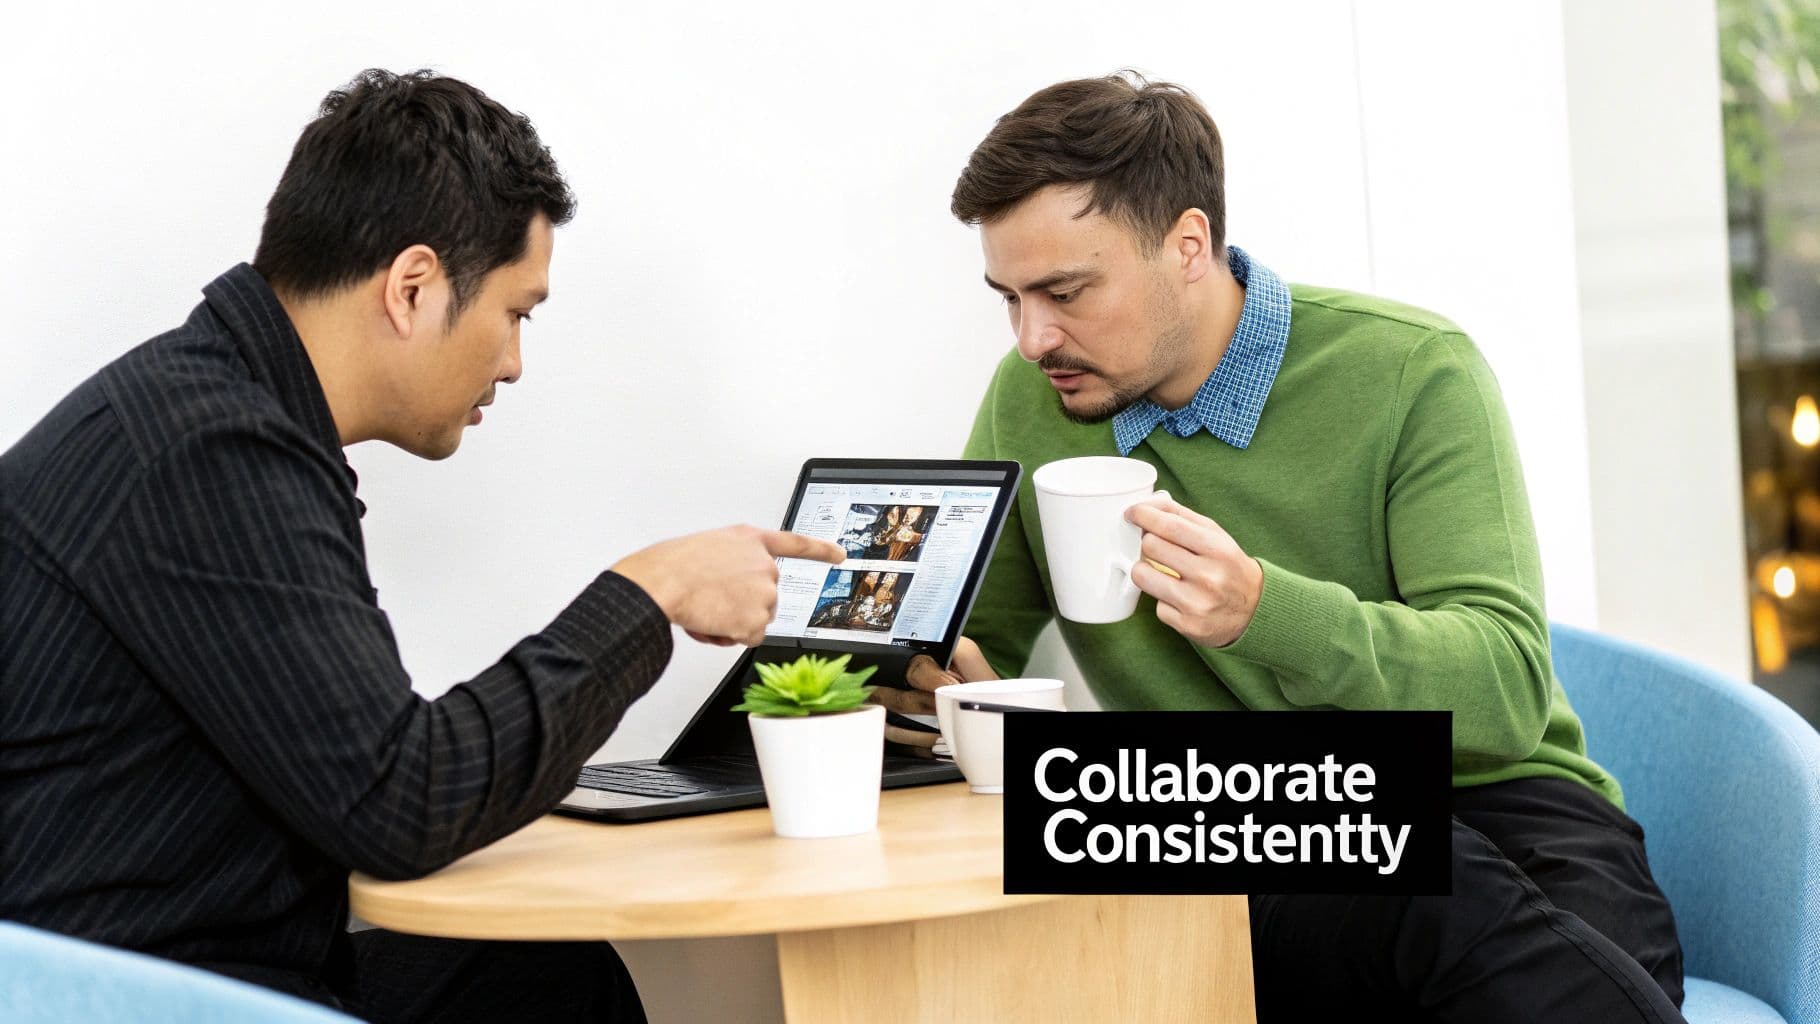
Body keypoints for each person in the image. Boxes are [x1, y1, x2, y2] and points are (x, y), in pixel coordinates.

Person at [0, 69, 843, 1023]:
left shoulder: (210, 411)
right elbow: (403, 803)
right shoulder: (209, 447)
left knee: (543, 976)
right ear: (413, 285)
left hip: (156, 963)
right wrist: (647, 595)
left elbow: (366, 771)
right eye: (516, 312)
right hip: (124, 996)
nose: (516, 361)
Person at [896, 73, 1687, 1023]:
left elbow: (1506, 689)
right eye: (1009, 299)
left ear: (1188, 244)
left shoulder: (1409, 370)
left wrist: (1265, 614)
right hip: (1229, 812)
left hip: (1498, 796)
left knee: (1524, 940)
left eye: (1064, 292)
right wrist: (939, 685)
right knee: (1434, 903)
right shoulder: (1031, 398)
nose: (1031, 340)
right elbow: (968, 641)